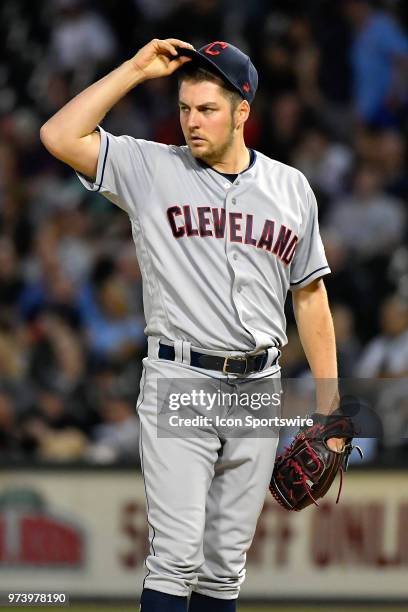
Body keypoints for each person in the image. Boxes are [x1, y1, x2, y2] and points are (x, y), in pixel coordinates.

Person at [40, 38, 343, 612]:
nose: (191, 122)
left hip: (258, 386)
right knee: (176, 556)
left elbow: (311, 298)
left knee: (225, 569)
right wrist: (134, 70)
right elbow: (58, 136)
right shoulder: (151, 167)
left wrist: (331, 409)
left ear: (242, 112)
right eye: (184, 109)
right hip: (181, 380)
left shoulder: (291, 187)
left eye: (206, 110)